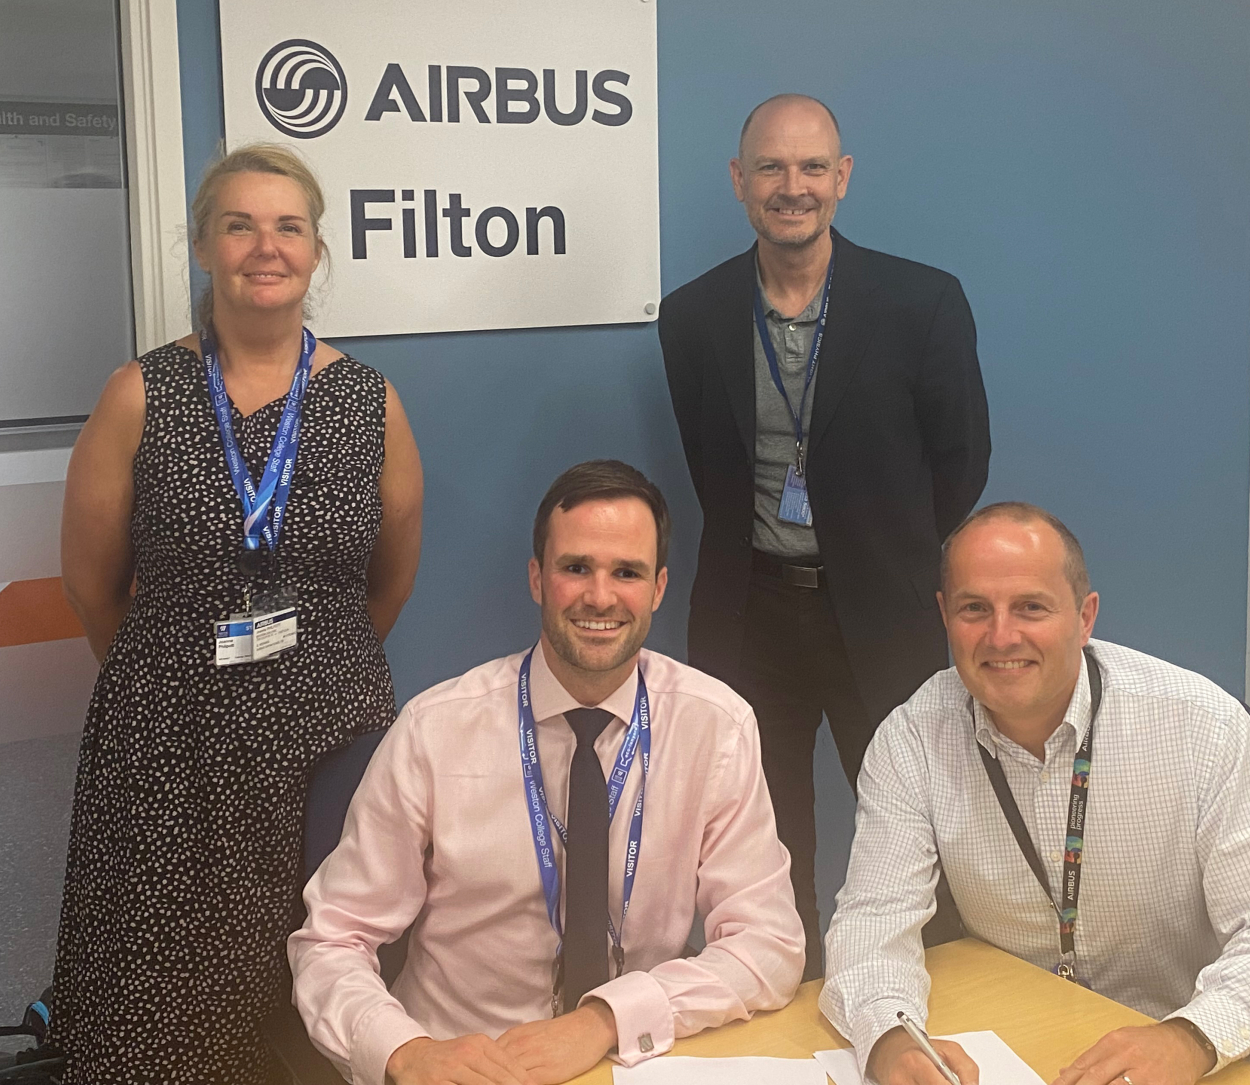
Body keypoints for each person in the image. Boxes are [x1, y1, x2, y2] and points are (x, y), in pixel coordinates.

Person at [51, 144, 424, 1085]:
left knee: (324, 983)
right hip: (169, 747)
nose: (267, 246)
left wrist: (314, 673)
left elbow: (388, 579)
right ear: (204, 247)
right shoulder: (141, 394)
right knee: (163, 996)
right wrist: (171, 675)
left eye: (288, 226)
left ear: (317, 250)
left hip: (331, 739)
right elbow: (94, 586)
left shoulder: (367, 401)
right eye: (240, 225)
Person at [289, 460, 804, 1085]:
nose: (600, 596)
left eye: (627, 572)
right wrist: (405, 1053)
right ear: (537, 578)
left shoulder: (716, 727)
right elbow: (331, 942)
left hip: (624, 1060)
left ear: (660, 588)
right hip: (459, 1064)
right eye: (576, 568)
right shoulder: (437, 731)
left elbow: (770, 944)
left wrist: (605, 1021)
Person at [657, 93, 990, 967]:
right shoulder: (692, 316)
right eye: (771, 167)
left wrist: (885, 548)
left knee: (925, 835)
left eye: (812, 167)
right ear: (739, 181)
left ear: (842, 179)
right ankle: (790, 1009)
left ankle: (951, 1015)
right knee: (761, 849)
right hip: (750, 617)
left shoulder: (922, 304)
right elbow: (710, 468)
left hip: (881, 615)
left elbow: (961, 464)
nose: (791, 186)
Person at [819, 502, 1250, 1085]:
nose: (1002, 636)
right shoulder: (912, 740)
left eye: (1031, 607)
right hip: (1013, 1048)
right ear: (945, 615)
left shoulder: (1203, 728)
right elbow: (873, 922)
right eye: (975, 609)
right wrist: (891, 1038)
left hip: (1180, 1048)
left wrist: (1192, 1039)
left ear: (1085, 616)